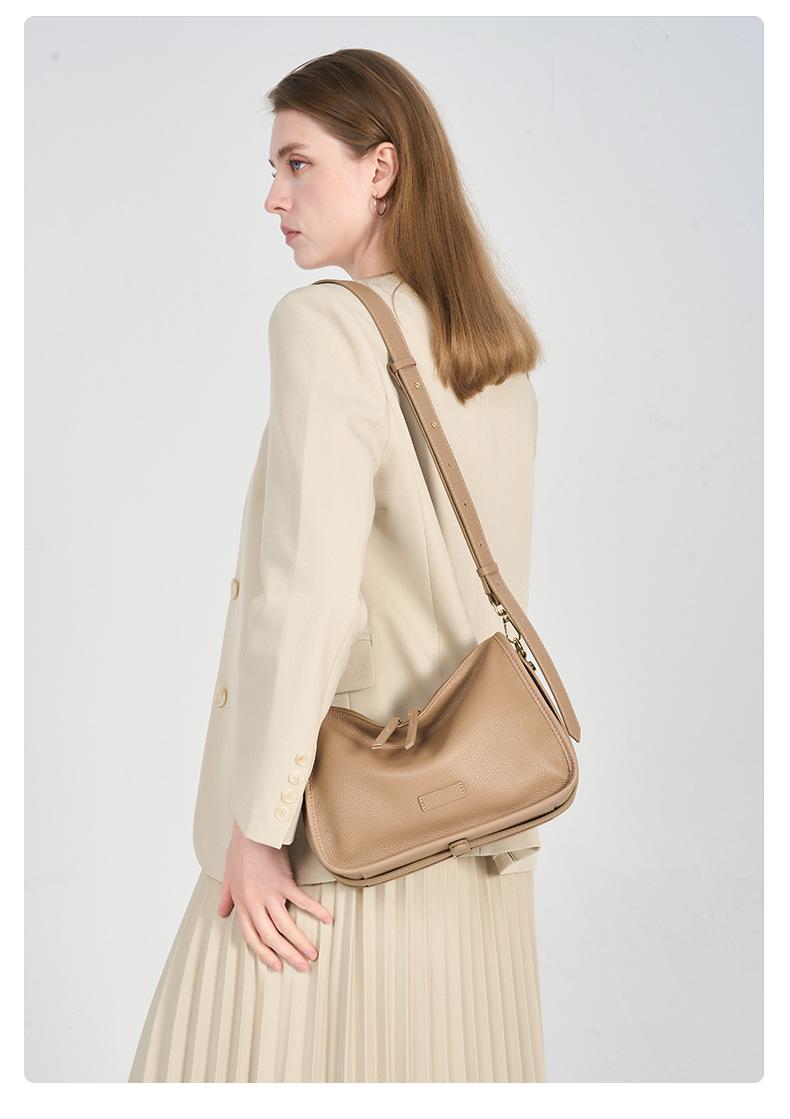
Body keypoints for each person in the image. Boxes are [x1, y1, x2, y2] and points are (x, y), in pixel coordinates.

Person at [129, 47, 549, 1083]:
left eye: (296, 163)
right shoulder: (493, 358)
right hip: (477, 825)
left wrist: (259, 826)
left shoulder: (324, 325)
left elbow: (308, 595)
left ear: (381, 168)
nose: (273, 198)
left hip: (338, 833)